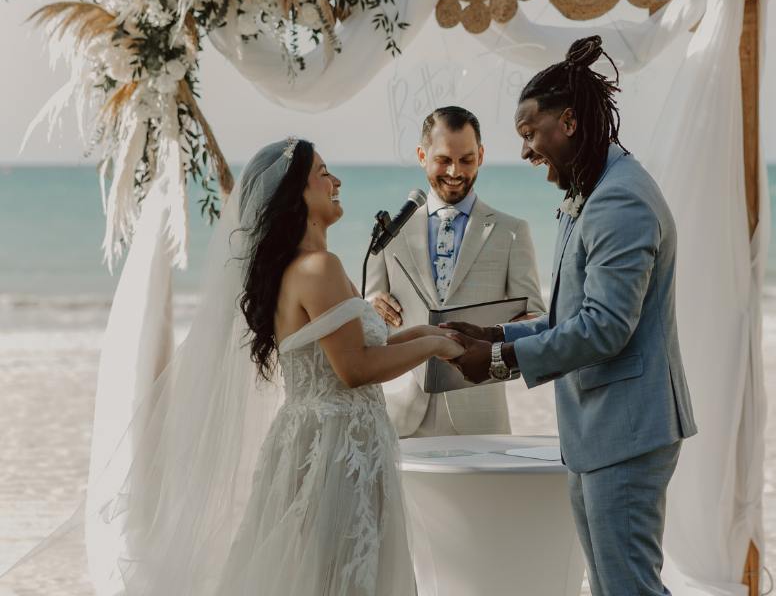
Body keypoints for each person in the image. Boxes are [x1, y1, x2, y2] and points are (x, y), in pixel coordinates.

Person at [4, 138, 463, 596]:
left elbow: (360, 348)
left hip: (332, 437)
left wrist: (432, 336)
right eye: (323, 172)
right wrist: (433, 348)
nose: (336, 181)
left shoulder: (308, 268)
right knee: (337, 573)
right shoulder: (319, 268)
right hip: (336, 446)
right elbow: (355, 369)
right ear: (296, 193)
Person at [444, 37, 699, 596]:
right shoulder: (591, 191)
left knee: (628, 587)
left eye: (531, 134)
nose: (527, 151)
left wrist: (496, 361)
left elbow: (606, 327)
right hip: (599, 430)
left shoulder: (620, 201)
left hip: (627, 430)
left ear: (570, 122)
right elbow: (571, 316)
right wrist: (492, 333)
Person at [366, 106, 544, 437]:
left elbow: (536, 319)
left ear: (481, 155)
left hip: (480, 416)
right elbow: (369, 316)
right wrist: (372, 303)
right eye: (444, 159)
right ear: (422, 155)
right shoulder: (391, 232)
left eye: (466, 159)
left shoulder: (512, 231)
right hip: (400, 414)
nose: (455, 171)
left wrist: (495, 336)